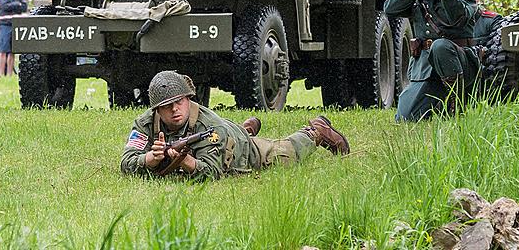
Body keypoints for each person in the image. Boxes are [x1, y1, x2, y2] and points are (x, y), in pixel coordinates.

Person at [120, 71, 350, 179]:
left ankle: (316, 131)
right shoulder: (145, 123)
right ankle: (245, 128)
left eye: (179, 102)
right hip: (225, 136)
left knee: (285, 154)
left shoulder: (209, 127)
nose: (174, 110)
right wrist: (150, 159)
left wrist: (186, 160)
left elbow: (212, 173)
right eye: (167, 106)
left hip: (241, 151)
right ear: (156, 110)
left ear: (189, 99)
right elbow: (126, 161)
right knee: (230, 134)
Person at [384, 0, 479, 122]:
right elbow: (390, 8)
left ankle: (456, 105)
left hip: (459, 62)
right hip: (425, 67)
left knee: (441, 46)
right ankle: (438, 103)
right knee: (405, 117)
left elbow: (459, 18)